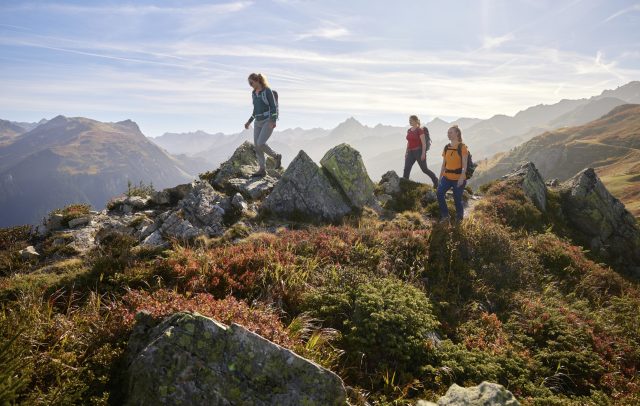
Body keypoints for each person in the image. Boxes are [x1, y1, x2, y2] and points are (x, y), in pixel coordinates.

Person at [244, 73, 282, 177]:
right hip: (257, 122)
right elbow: (255, 110)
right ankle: (262, 169)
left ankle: (276, 156)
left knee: (260, 143)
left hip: (267, 121)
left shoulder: (267, 91)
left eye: (251, 82)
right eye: (249, 83)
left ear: (257, 80)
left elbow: (273, 107)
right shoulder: (253, 93)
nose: (250, 84)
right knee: (257, 146)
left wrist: (273, 120)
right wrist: (249, 121)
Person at [437, 125, 468, 223]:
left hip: (458, 178)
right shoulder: (446, 147)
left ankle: (459, 218)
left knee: (457, 199)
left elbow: (464, 166)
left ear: (457, 133)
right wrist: (440, 177)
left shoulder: (462, 147)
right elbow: (444, 164)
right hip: (446, 177)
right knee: (439, 193)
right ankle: (445, 216)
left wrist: (461, 178)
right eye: (448, 132)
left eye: (450, 132)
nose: (448, 134)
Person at [403, 115, 438, 187]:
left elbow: (424, 143)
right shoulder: (409, 130)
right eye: (409, 120)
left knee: (424, 169)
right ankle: (404, 184)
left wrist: (423, 154)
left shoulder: (420, 130)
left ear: (416, 121)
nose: (410, 121)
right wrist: (406, 152)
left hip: (418, 152)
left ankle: (436, 181)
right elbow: (409, 142)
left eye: (411, 120)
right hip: (410, 152)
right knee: (406, 168)